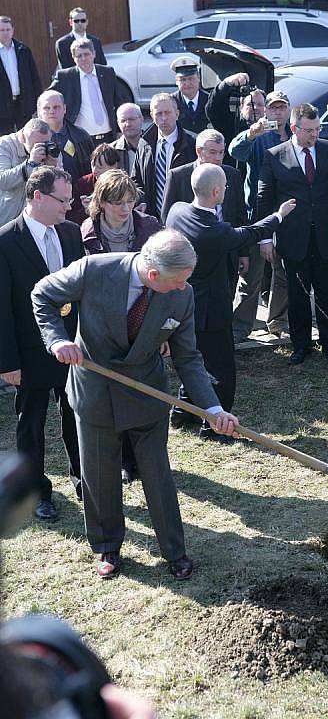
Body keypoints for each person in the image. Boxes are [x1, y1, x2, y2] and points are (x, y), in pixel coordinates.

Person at [31, 229, 239, 579]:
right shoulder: (94, 270)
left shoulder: (182, 295)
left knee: (157, 474)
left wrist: (213, 409)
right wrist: (58, 340)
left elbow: (188, 357)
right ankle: (107, 547)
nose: (181, 288)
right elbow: (42, 294)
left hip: (147, 392)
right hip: (94, 389)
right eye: (176, 282)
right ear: (153, 274)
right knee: (99, 474)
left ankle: (175, 551)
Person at [166, 163, 294, 438]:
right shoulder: (213, 230)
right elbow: (248, 234)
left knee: (192, 360)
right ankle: (214, 427)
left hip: (183, 305)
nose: (226, 190)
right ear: (215, 191)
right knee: (221, 368)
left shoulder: (177, 211)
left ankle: (182, 412)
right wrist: (278, 217)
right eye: (224, 187)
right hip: (211, 309)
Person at [0, 166, 83, 520]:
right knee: (31, 423)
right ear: (37, 196)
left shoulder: (71, 233)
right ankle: (37, 492)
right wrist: (7, 362)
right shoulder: (5, 241)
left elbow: (81, 295)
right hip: (28, 352)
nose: (69, 207)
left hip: (71, 348)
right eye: (62, 200)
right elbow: (2, 307)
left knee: (76, 415)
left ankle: (84, 479)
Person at [81, 169, 160, 484]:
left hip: (141, 320)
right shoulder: (86, 233)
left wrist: (162, 330)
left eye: (130, 201)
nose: (125, 208)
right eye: (117, 202)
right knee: (113, 395)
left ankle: (144, 457)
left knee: (142, 393)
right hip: (104, 325)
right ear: (101, 202)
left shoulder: (149, 228)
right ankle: (123, 460)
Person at [258, 103, 328, 366]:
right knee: (297, 295)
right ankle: (301, 345)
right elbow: (265, 199)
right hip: (292, 237)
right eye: (309, 130)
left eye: (318, 129)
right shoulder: (274, 155)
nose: (315, 134)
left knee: (326, 293)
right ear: (294, 128)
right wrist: (265, 237)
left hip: (326, 236)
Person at [229, 90, 292, 341]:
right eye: (273, 108)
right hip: (258, 214)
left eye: (281, 107)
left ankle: (278, 320)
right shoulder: (259, 136)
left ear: (288, 110)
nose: (277, 112)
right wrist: (250, 133)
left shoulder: (294, 134)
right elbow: (235, 151)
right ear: (266, 111)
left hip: (288, 212)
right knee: (251, 274)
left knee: (283, 271)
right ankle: (240, 326)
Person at [161, 131, 246, 292]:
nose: (218, 158)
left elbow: (239, 216)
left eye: (221, 152)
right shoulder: (178, 176)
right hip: (191, 258)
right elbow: (167, 220)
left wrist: (243, 253)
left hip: (226, 256)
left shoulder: (232, 175)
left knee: (224, 304)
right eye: (213, 152)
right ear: (199, 151)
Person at [133, 93, 196, 219]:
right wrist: (141, 201)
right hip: (152, 217)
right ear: (152, 116)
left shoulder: (192, 143)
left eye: (167, 113)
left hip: (183, 216)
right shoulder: (144, 143)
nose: (163, 118)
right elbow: (136, 179)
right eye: (158, 114)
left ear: (177, 114)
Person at [49, 38, 122, 144]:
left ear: (94, 54)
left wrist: (120, 130)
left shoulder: (107, 73)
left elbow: (119, 101)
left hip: (109, 137)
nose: (83, 58)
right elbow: (47, 98)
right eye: (79, 56)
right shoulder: (65, 77)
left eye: (86, 54)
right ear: (74, 58)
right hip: (80, 140)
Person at [0, 118, 57, 228]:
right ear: (22, 138)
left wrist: (54, 168)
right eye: (35, 144)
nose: (39, 148)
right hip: (4, 219)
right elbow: (2, 181)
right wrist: (30, 164)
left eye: (44, 143)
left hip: (32, 222)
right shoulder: (4, 145)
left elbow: (59, 187)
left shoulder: (50, 149)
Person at [205, 74, 266, 165]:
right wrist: (225, 85)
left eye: (260, 104)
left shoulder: (272, 129)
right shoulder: (232, 125)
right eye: (250, 104)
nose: (255, 107)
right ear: (241, 107)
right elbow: (214, 109)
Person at [37, 90, 94, 183]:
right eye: (46, 108)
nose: (52, 111)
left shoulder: (81, 135)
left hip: (79, 191)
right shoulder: (32, 138)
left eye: (56, 107)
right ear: (39, 112)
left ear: (64, 109)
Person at [0, 16, 42, 136]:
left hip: (23, 102)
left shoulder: (23, 49)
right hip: (3, 104)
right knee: (4, 138)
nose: (5, 33)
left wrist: (38, 100)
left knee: (26, 136)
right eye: (1, 30)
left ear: (13, 30)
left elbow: (34, 76)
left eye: (7, 29)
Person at [71, 143, 120, 224]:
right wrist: (85, 210)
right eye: (93, 165)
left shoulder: (123, 184)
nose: (95, 171)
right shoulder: (83, 184)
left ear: (114, 167)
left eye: (100, 167)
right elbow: (71, 216)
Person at [170, 57, 209, 136]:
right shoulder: (171, 101)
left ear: (198, 78)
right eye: (182, 79)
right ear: (176, 81)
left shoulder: (209, 100)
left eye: (191, 78)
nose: (187, 83)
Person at [112, 102, 144, 174]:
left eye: (131, 119)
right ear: (118, 123)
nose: (128, 124)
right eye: (123, 121)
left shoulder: (154, 145)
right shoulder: (111, 151)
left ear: (141, 119)